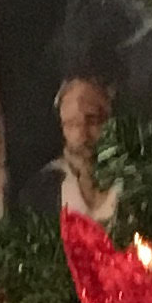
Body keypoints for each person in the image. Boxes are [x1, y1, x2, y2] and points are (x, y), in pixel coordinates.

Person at [38, 74, 118, 229]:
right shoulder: (41, 191)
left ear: (110, 120)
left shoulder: (138, 180)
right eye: (72, 124)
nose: (82, 134)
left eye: (92, 121)